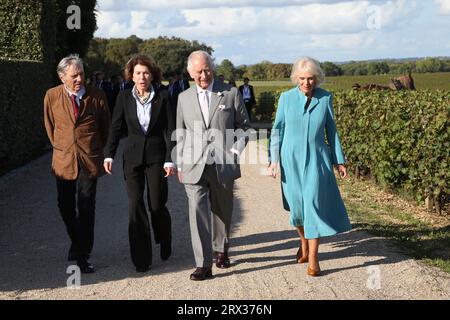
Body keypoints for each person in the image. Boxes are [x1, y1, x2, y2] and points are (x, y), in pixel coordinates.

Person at [268, 57, 352, 277]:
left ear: (317, 79)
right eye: (303, 78)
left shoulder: (325, 98)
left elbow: (331, 131)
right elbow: (277, 131)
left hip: (317, 159)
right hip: (290, 159)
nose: (306, 83)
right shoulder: (286, 99)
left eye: (311, 79)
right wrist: (273, 160)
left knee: (313, 206)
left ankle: (314, 258)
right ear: (297, 78)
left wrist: (339, 160)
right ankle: (303, 241)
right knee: (297, 209)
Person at [175, 50, 251, 281]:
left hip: (223, 164)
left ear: (213, 69)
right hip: (193, 166)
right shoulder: (183, 98)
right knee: (197, 211)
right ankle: (203, 264)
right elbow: (180, 134)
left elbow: (245, 127)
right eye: (198, 71)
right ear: (190, 73)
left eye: (207, 69)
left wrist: (234, 151)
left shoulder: (230, 93)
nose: (203, 75)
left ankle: (221, 250)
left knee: (222, 210)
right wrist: (179, 163)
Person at [103, 54, 176, 273]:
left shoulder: (163, 95)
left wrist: (170, 158)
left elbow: (170, 130)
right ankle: (141, 258)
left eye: (145, 72)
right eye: (137, 73)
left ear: (152, 75)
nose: (142, 77)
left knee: (156, 205)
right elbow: (115, 127)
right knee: (135, 205)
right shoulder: (124, 96)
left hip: (156, 158)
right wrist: (109, 154)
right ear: (131, 75)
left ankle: (164, 236)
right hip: (132, 159)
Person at [44, 54, 111, 273]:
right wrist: (63, 147)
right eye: (74, 75)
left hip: (89, 160)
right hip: (63, 160)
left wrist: (94, 150)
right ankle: (77, 241)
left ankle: (83, 254)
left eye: (81, 73)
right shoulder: (52, 96)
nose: (79, 79)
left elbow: (105, 128)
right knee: (64, 206)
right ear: (62, 77)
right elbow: (50, 127)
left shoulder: (97, 96)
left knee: (86, 206)